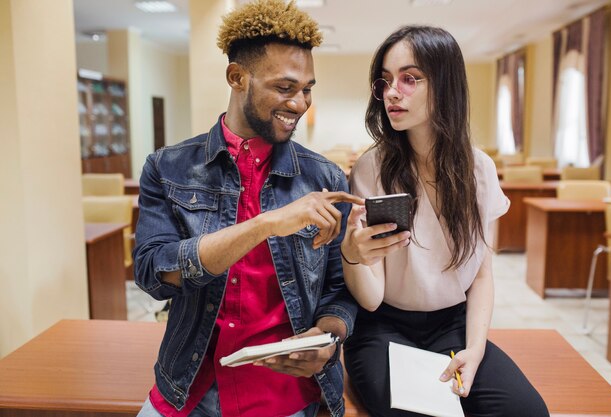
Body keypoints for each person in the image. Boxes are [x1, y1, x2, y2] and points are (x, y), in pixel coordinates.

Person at [133, 1, 362, 416]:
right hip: (189, 391)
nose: (300, 103)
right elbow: (154, 274)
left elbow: (340, 288)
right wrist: (266, 224)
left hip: (289, 396)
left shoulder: (326, 178)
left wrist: (328, 341)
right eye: (285, 87)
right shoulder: (167, 168)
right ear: (237, 77)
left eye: (307, 88)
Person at [339, 25, 549, 417]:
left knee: (526, 412)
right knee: (424, 413)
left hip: (451, 325)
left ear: (445, 84)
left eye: (410, 78)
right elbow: (371, 297)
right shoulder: (373, 167)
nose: (392, 92)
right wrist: (352, 255)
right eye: (384, 81)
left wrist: (474, 349)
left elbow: (481, 276)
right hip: (384, 330)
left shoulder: (479, 170)